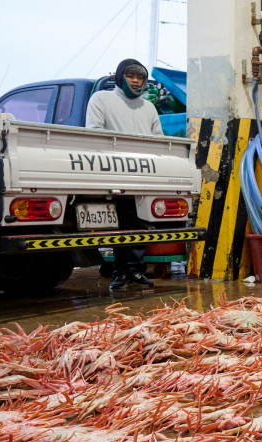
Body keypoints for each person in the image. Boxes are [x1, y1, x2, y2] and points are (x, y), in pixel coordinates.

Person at [86, 58, 164, 290]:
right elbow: (94, 132)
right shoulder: (101, 99)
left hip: (142, 174)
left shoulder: (148, 107)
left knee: (140, 222)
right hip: (112, 172)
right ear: (120, 77)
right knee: (118, 223)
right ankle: (120, 271)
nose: (136, 81)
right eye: (131, 76)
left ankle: (136, 271)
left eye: (140, 77)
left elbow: (158, 139)